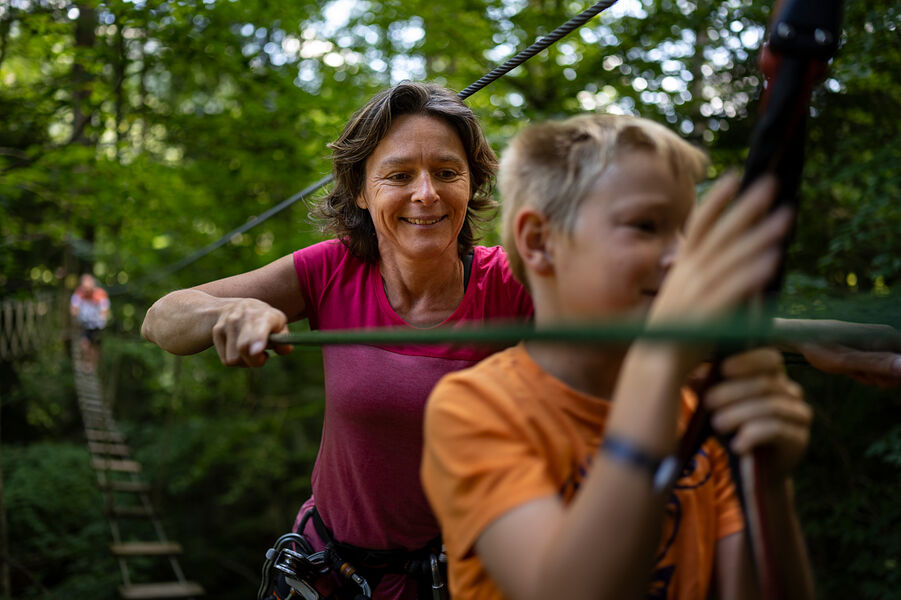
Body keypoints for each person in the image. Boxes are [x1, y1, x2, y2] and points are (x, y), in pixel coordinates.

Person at [141, 82, 896, 599]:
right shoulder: (330, 270)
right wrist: (227, 316)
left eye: (446, 172)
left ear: (471, 187)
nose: (425, 193)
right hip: (332, 568)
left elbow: (650, 325)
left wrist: (810, 337)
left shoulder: (508, 280)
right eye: (398, 175)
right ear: (362, 193)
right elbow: (164, 317)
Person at [421, 113, 815, 600]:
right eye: (646, 226)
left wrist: (767, 488)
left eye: (686, 233)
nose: (681, 257)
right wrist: (658, 362)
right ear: (540, 241)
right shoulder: (473, 409)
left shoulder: (696, 411)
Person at [71, 273, 110, 372]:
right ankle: (85, 363)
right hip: (85, 324)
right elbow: (73, 308)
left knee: (94, 346)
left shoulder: (100, 294)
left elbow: (105, 310)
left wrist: (102, 319)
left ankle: (92, 366)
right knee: (84, 344)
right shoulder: (79, 293)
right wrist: (76, 315)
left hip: (97, 325)